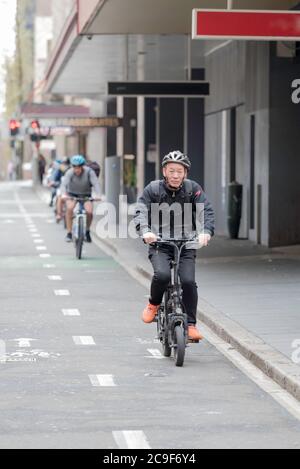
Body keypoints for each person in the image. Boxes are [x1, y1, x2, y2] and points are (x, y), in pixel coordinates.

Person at [134, 150, 215, 342]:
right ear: (164, 171)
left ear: (185, 173)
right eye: (172, 171)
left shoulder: (192, 188)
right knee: (161, 275)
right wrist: (145, 231)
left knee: (188, 282)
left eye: (180, 171)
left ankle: (191, 324)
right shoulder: (153, 189)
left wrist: (206, 231)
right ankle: (153, 305)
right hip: (159, 243)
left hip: (186, 244)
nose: (176, 175)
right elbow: (140, 211)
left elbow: (207, 211)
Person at [61, 155, 101, 243]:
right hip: (72, 195)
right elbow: (64, 185)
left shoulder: (89, 172)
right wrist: (63, 194)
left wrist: (98, 195)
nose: (76, 169)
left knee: (89, 211)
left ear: (83, 166)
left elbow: (96, 184)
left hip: (86, 195)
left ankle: (87, 231)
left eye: (78, 167)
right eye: (74, 167)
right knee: (70, 208)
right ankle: (69, 233)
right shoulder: (69, 172)